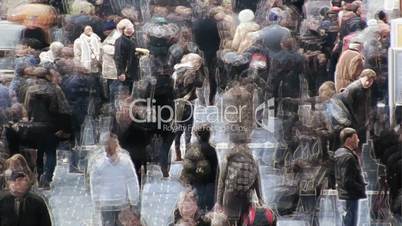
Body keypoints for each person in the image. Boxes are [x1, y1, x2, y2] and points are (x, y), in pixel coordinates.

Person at [89, 132, 140, 226]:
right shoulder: (98, 163)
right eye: (108, 146)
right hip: (106, 205)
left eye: (113, 145)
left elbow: (132, 181)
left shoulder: (125, 162)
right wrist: (96, 202)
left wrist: (134, 200)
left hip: (122, 204)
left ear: (117, 145)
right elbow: (95, 184)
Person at [180, 124, 218, 211]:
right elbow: (216, 170)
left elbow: (186, 167)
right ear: (209, 135)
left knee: (197, 208)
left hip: (196, 184)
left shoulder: (191, 148)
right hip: (209, 184)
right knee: (209, 209)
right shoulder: (212, 149)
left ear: (197, 135)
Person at [334, 127, 367, 226]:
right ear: (349, 140)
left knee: (347, 221)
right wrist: (360, 186)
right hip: (350, 196)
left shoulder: (339, 154)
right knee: (350, 222)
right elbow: (347, 181)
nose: (358, 140)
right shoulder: (348, 157)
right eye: (355, 138)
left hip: (345, 195)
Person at [193, 9, 221, 105]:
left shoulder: (197, 24)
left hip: (203, 51)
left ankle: (203, 96)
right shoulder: (213, 23)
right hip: (213, 51)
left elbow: (196, 39)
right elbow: (218, 38)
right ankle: (212, 95)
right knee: (213, 74)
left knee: (203, 73)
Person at [114, 22, 140, 93]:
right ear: (122, 30)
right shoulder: (120, 41)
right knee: (124, 93)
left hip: (132, 70)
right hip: (126, 71)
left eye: (131, 29)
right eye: (127, 29)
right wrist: (121, 72)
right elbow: (118, 57)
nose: (130, 31)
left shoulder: (132, 39)